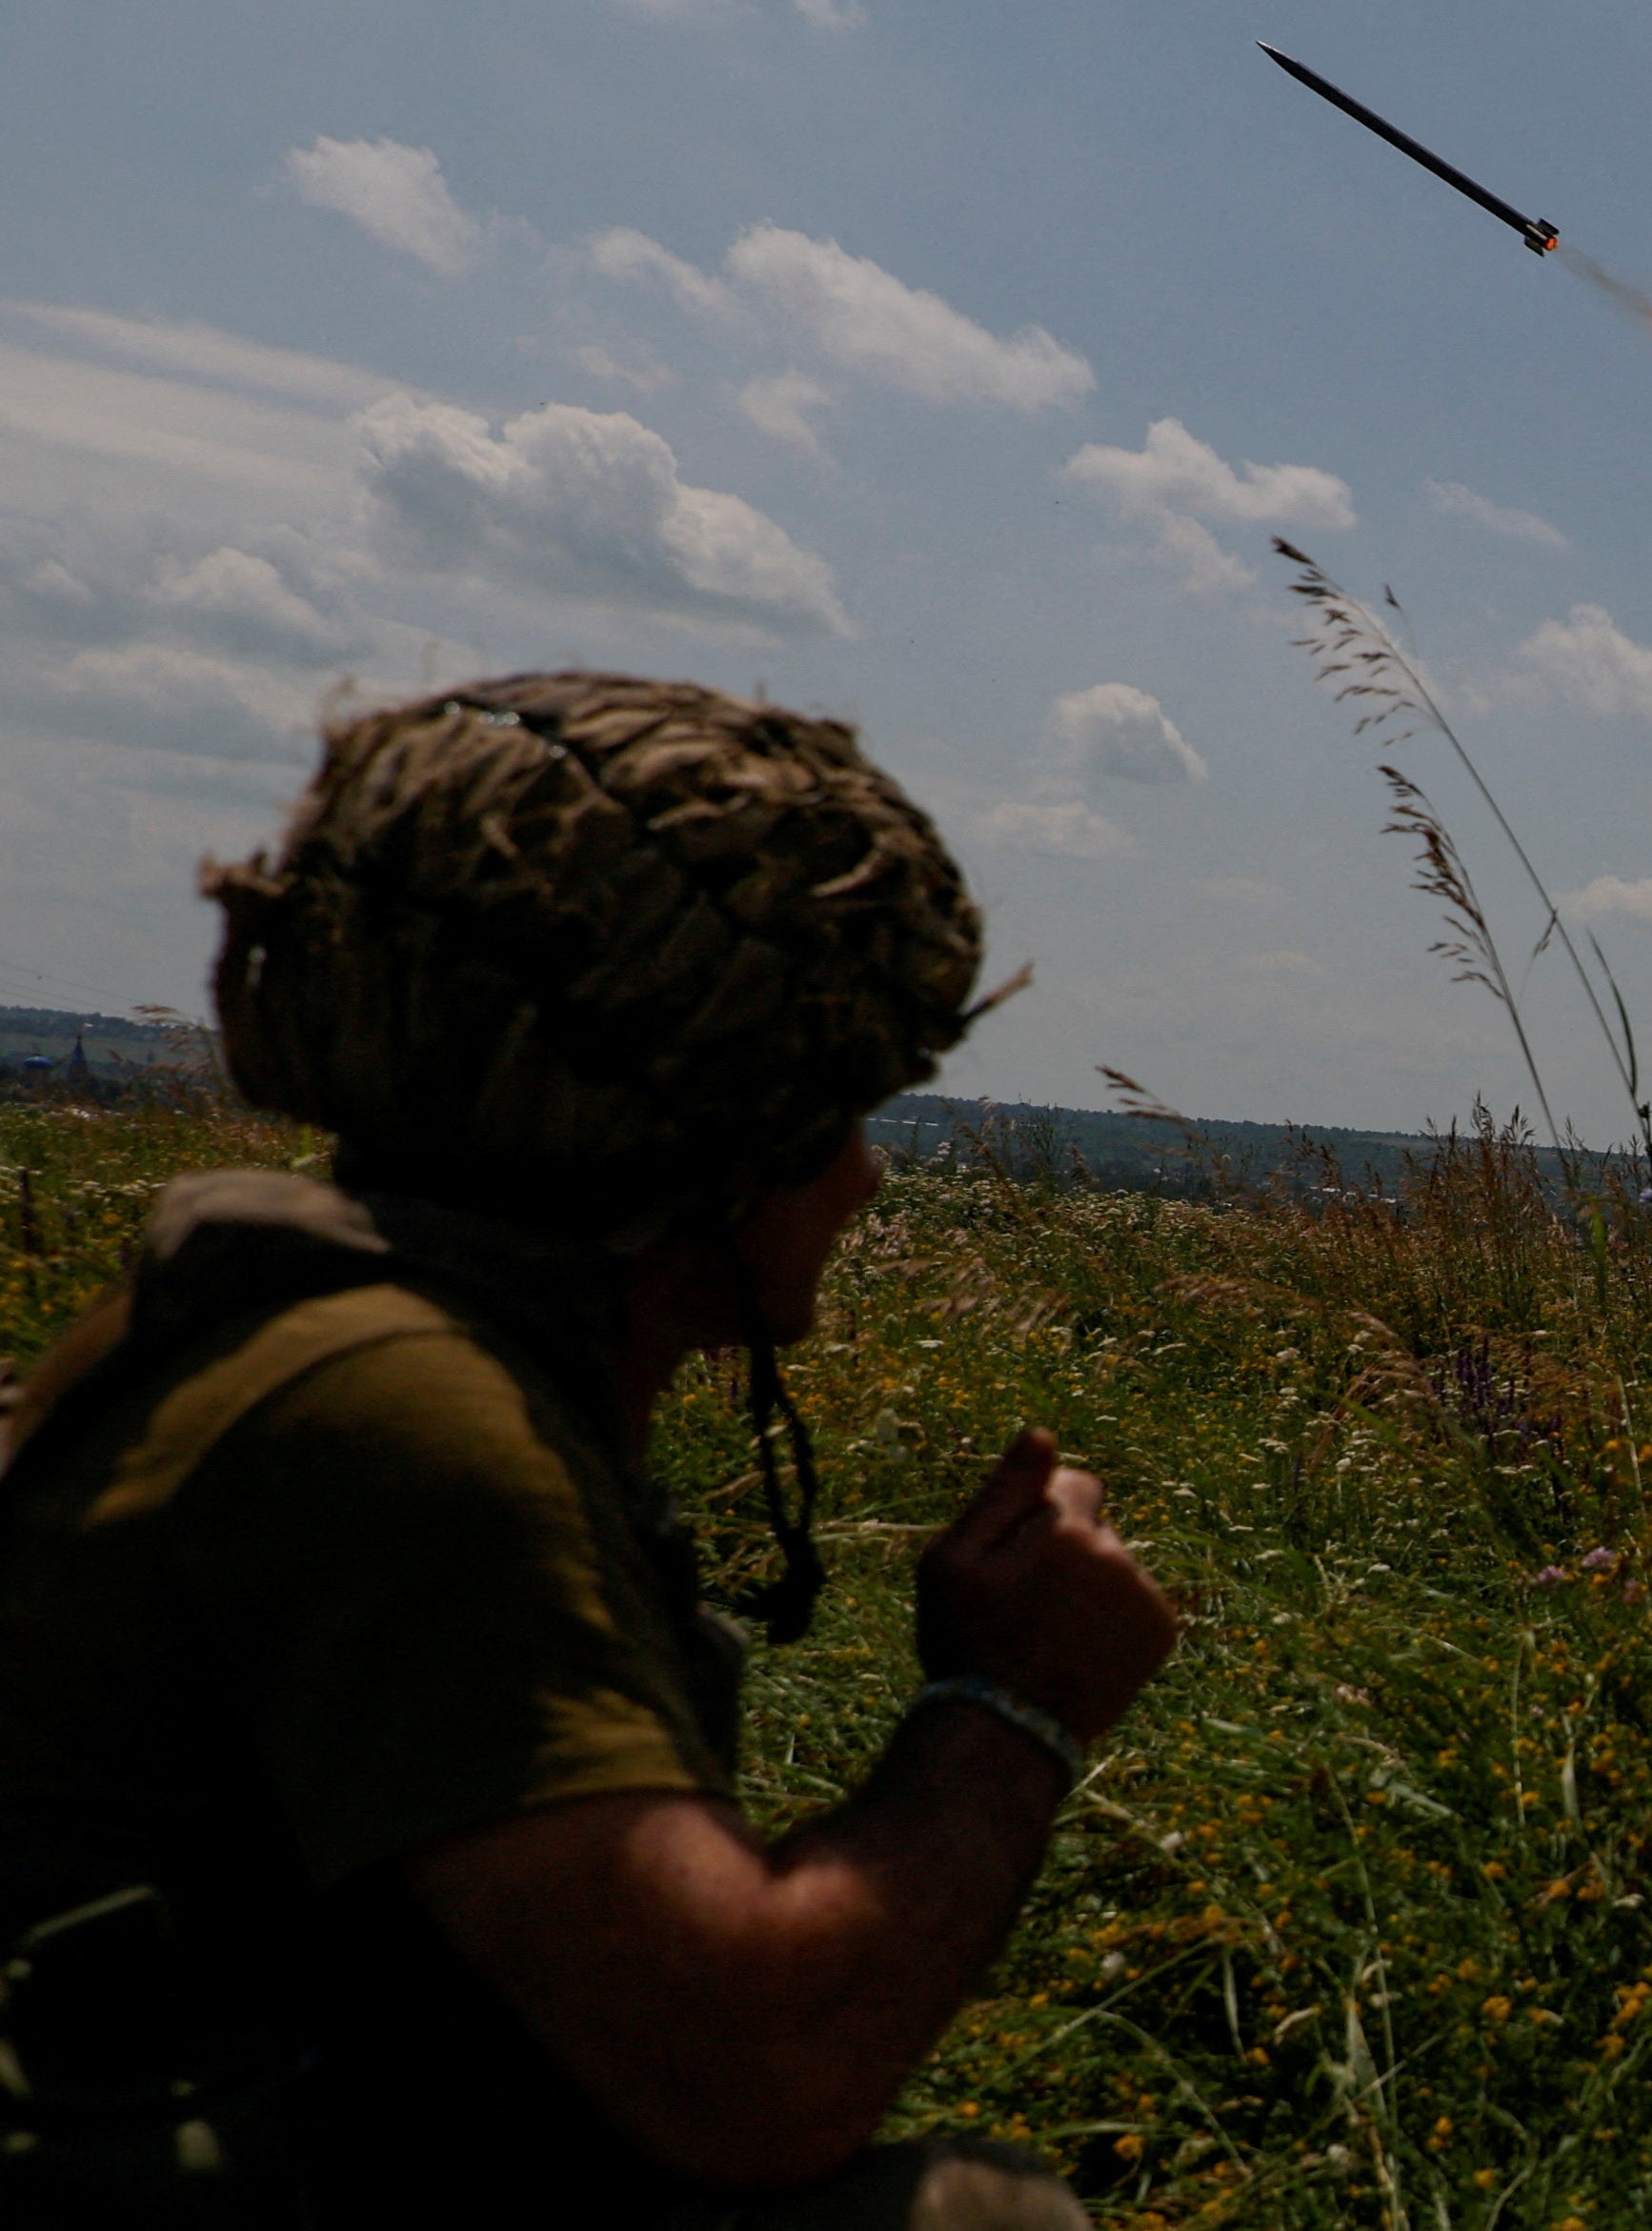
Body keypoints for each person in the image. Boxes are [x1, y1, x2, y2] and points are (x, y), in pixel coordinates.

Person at [0, 673, 1181, 2228]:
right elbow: (757, 2074)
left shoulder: (323, 1328)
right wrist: (1010, 1704)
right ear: (706, 1148)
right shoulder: (397, 1423)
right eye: (837, 1115)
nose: (866, 1183)